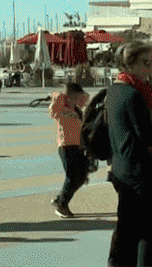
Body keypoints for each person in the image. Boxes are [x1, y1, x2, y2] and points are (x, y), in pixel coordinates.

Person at [106, 41, 152, 267]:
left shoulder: (116, 89)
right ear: (140, 62)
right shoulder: (135, 95)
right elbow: (145, 136)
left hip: (122, 168)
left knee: (127, 231)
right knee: (149, 232)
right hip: (141, 172)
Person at [49, 82, 90, 218]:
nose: (79, 100)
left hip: (77, 146)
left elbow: (86, 98)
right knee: (72, 177)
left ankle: (60, 199)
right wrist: (60, 95)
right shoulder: (61, 108)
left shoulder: (76, 110)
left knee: (81, 177)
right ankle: (62, 205)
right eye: (75, 97)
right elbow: (52, 111)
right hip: (66, 146)